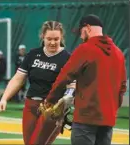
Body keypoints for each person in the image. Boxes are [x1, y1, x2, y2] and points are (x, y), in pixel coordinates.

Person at [45, 14, 127, 145]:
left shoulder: (85, 49)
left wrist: (50, 100)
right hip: (107, 121)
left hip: (86, 119)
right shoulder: (118, 53)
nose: (81, 36)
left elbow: (64, 77)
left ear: (88, 28)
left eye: (81, 32)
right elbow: (122, 88)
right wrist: (110, 111)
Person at [0, 20, 75, 145]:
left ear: (61, 38)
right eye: (49, 38)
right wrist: (4, 98)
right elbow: (18, 78)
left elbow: (72, 86)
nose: (53, 42)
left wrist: (65, 103)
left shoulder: (68, 58)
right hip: (31, 106)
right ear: (42, 36)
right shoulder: (33, 54)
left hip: (51, 109)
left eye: (56, 39)